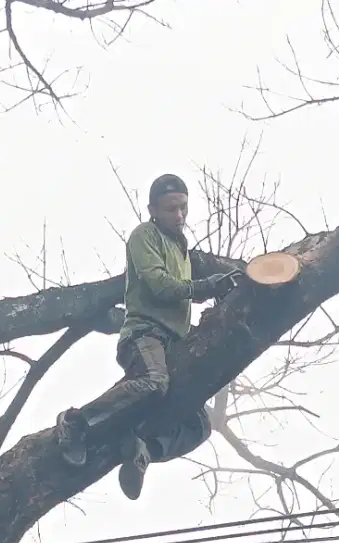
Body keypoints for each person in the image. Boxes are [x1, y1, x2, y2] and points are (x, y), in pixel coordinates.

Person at [55, 173, 240, 500]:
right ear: (153, 209)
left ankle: (142, 450)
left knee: (200, 424)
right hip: (146, 334)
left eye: (183, 208)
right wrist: (207, 286)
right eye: (171, 209)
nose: (179, 216)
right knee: (155, 381)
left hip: (176, 344)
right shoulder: (145, 236)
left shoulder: (181, 248)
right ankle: (76, 423)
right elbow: (160, 285)